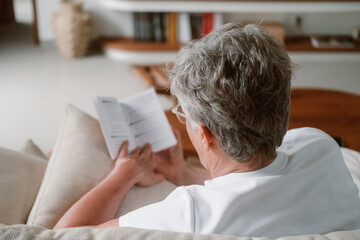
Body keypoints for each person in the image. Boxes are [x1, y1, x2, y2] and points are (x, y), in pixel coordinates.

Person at [53, 23, 360, 238]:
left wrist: (124, 173)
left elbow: (58, 236)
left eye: (182, 113)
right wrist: (183, 173)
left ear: (205, 133)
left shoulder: (191, 213)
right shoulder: (320, 145)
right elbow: (256, 183)